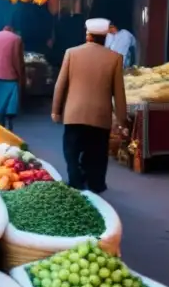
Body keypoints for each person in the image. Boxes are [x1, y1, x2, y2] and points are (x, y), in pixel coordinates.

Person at [52, 18, 127, 194]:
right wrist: (122, 119)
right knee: (97, 153)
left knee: (71, 149)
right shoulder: (115, 58)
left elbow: (60, 85)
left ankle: (75, 180)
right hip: (100, 116)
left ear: (88, 36)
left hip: (74, 113)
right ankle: (95, 184)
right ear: (104, 38)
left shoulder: (71, 53)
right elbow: (119, 92)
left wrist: (56, 111)